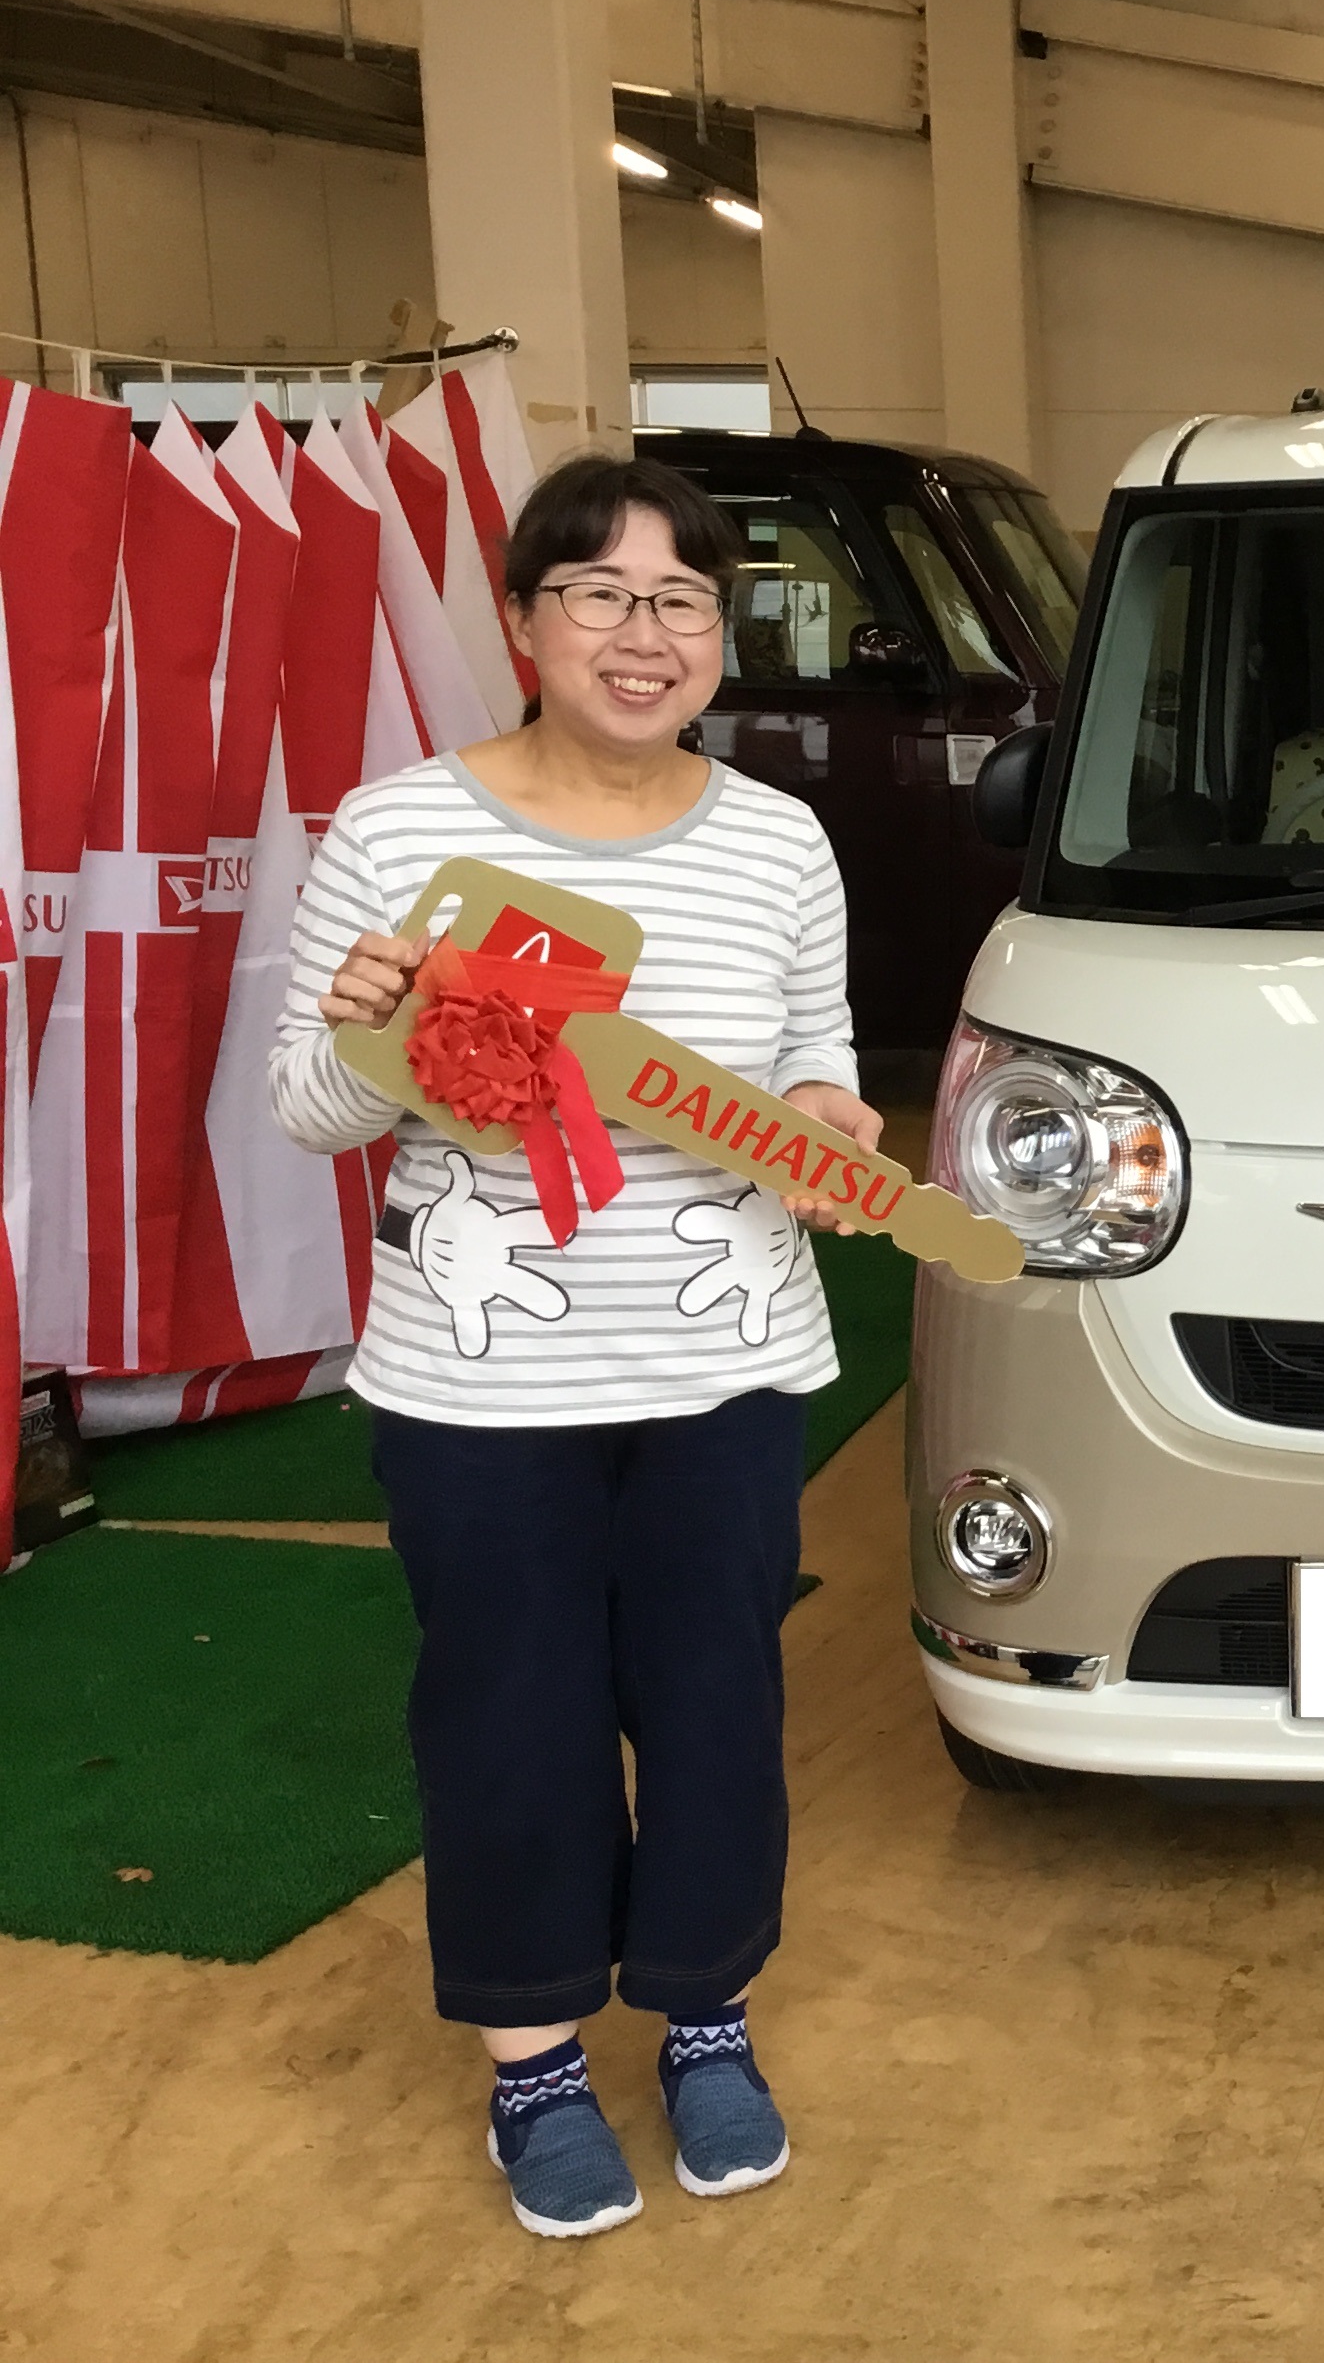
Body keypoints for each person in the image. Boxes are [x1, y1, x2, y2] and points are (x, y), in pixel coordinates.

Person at [269, 452, 880, 2236]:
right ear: (525, 619)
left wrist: (829, 1121)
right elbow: (308, 1110)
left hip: (725, 1367)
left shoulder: (778, 841)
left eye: (682, 598)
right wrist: (370, 1032)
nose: (644, 632)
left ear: (722, 634)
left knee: (714, 1701)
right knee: (508, 1712)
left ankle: (706, 2018)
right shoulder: (400, 836)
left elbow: (819, 1055)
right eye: (600, 593)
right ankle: (532, 2060)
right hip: (480, 1384)